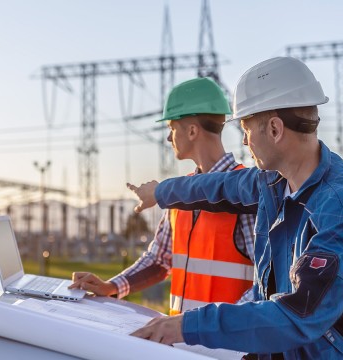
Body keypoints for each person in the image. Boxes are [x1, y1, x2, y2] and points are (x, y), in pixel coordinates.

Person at [128, 57, 343, 359]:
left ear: (275, 129)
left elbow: (298, 314)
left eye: (246, 129)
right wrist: (158, 192)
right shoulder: (273, 183)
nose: (244, 141)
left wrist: (186, 326)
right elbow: (215, 187)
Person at [69, 77, 256, 315]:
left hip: (227, 348)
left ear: (191, 131)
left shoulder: (245, 196)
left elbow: (265, 282)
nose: (168, 138)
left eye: (171, 128)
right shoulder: (178, 195)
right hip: (181, 341)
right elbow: (159, 260)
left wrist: (222, 328)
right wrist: (111, 286)